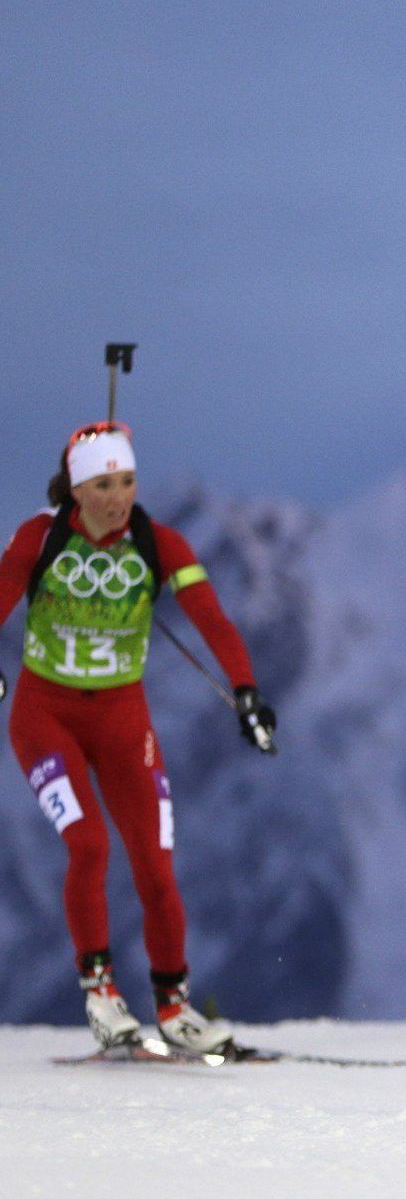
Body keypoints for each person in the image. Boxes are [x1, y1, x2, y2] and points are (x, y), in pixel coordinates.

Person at [0, 421, 276, 1053]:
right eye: (102, 484)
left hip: (124, 720)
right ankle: (101, 996)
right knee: (90, 845)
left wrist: (246, 691)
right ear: (75, 490)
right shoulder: (39, 540)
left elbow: (212, 618)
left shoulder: (160, 543)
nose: (118, 497)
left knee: (155, 864)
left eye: (127, 481)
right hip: (46, 718)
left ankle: (175, 1009)